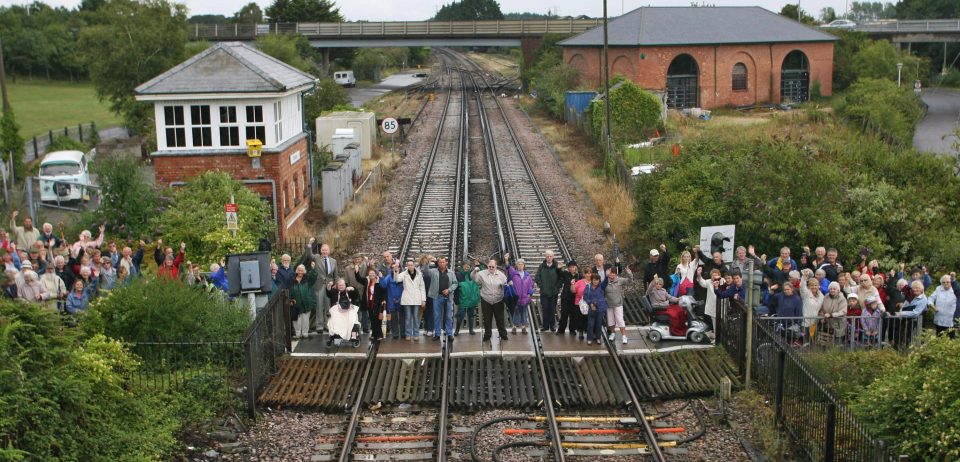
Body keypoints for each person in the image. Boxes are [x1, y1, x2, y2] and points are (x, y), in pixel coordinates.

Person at [471, 258, 508, 343]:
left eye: (492, 267)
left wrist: (507, 284)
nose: (491, 268)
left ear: (496, 266)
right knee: (487, 319)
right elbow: (473, 278)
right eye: (489, 266)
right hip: (486, 299)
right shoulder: (482, 273)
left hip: (498, 300)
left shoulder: (501, 275)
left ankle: (503, 334)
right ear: (487, 266)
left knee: (500, 319)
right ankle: (487, 335)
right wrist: (474, 271)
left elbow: (506, 284)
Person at [426, 257, 458, 340]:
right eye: (440, 262)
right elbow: (426, 271)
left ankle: (449, 333)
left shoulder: (451, 272)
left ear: (446, 263)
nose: (442, 264)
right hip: (437, 297)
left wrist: (449, 290)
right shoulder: (433, 271)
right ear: (438, 263)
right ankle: (437, 333)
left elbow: (455, 283)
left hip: (448, 297)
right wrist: (428, 262)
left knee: (448, 316)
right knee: (437, 316)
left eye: (443, 262)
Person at [309, 239, 338, 333]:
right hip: (319, 285)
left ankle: (327, 325)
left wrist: (334, 284)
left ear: (329, 251)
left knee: (328, 306)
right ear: (321, 251)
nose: (324, 251)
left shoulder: (334, 261)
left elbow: (336, 275)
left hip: (329, 286)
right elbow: (309, 255)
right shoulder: (317, 258)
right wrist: (309, 244)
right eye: (323, 250)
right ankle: (319, 326)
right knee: (319, 306)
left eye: (326, 250)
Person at [289, 253, 319, 339]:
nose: (300, 272)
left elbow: (314, 277)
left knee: (305, 319)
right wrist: (291, 300)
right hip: (296, 303)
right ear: (296, 271)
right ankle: (298, 333)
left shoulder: (307, 280)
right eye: (299, 270)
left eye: (302, 270)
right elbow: (289, 290)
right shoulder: (292, 280)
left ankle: (305, 333)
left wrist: (313, 268)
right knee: (297, 320)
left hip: (306, 302)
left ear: (304, 271)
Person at [395, 260, 426, 341]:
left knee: (416, 317)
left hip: (417, 298)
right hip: (407, 299)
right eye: (408, 265)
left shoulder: (419, 274)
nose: (410, 266)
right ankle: (408, 334)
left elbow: (422, 287)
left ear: (414, 265)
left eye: (411, 265)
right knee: (408, 318)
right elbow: (397, 279)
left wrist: (423, 300)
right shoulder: (404, 274)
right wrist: (396, 271)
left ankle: (416, 334)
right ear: (407, 266)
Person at [504, 254, 534, 335]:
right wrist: (506, 259)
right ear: (516, 265)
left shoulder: (528, 276)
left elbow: (531, 285)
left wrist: (529, 293)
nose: (520, 265)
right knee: (516, 311)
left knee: (524, 312)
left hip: (525, 297)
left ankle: (523, 327)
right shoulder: (514, 273)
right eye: (519, 264)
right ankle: (514, 326)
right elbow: (508, 267)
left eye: (522, 264)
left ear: (524, 265)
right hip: (516, 297)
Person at [535, 250, 563, 332]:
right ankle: (545, 326)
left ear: (553, 257)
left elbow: (561, 278)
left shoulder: (557, 266)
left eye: (551, 256)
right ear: (545, 257)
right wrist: (541, 286)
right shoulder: (541, 266)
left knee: (552, 309)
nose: (549, 258)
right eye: (547, 256)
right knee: (545, 309)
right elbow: (537, 277)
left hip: (554, 292)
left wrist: (557, 287)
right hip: (544, 292)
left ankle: (552, 326)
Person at [604, 265, 632, 344]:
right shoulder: (605, 281)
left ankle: (624, 336)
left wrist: (629, 274)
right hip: (608, 304)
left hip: (618, 304)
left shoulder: (620, 280)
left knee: (620, 320)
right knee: (610, 320)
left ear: (616, 274)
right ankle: (612, 333)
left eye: (613, 273)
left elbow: (629, 281)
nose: (612, 275)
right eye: (610, 273)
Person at [357, 267, 386, 341]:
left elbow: (384, 289)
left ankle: (379, 335)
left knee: (378, 319)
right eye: (370, 274)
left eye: (373, 273)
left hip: (378, 303)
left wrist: (384, 300)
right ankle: (373, 334)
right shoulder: (367, 281)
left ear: (376, 274)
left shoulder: (379, 281)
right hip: (370, 303)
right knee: (372, 319)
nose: (371, 275)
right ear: (368, 275)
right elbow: (359, 279)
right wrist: (356, 271)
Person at [380, 260, 405, 340]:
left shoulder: (403, 276)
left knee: (403, 318)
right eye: (392, 267)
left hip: (402, 300)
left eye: (396, 267)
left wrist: (400, 299)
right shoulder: (388, 276)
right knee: (393, 318)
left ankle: (403, 333)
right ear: (391, 269)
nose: (394, 268)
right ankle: (395, 333)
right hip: (392, 301)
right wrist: (381, 278)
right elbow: (383, 285)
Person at [344, 255, 369, 333]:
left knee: (364, 310)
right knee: (354, 310)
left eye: (358, 258)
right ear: (353, 259)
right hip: (353, 292)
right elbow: (346, 281)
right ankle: (355, 327)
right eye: (355, 258)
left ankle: (365, 327)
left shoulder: (365, 266)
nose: (357, 260)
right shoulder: (348, 269)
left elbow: (370, 268)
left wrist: (368, 262)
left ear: (361, 259)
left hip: (363, 291)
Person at [582, 273, 608, 345]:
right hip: (592, 308)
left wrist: (607, 275)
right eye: (594, 280)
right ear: (592, 280)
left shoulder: (601, 286)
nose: (596, 281)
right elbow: (585, 297)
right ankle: (589, 338)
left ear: (599, 280)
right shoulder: (588, 287)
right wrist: (590, 303)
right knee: (590, 324)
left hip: (601, 308)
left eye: (597, 280)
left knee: (599, 324)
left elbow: (605, 282)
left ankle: (598, 338)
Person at [455, 260, 479, 336]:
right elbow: (456, 288)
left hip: (471, 299)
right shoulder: (458, 274)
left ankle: (471, 330)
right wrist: (456, 299)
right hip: (462, 299)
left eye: (468, 266)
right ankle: (457, 330)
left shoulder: (472, 274)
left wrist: (478, 265)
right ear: (462, 266)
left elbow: (481, 272)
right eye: (465, 265)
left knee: (471, 315)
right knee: (460, 315)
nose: (466, 267)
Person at [799, 270, 824, 341]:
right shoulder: (806, 294)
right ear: (809, 286)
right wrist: (804, 277)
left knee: (813, 340)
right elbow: (802, 286)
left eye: (816, 285)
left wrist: (822, 315)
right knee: (805, 340)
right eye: (812, 285)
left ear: (819, 286)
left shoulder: (821, 296)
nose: (814, 287)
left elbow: (822, 308)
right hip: (805, 322)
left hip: (815, 322)